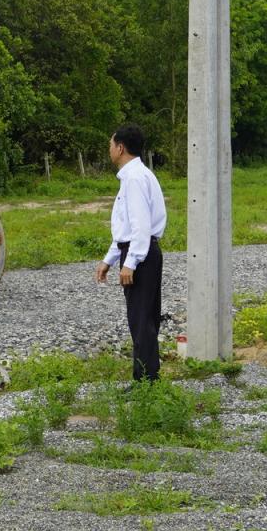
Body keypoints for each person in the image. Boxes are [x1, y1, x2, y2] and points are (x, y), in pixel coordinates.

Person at [95, 124, 168, 382]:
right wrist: (109, 259)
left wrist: (131, 262)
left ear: (120, 147)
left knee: (142, 319)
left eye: (110, 145)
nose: (109, 150)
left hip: (141, 253)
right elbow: (126, 228)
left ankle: (147, 382)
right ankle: (144, 378)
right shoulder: (134, 176)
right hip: (139, 250)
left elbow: (140, 225)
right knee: (140, 318)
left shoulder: (135, 178)